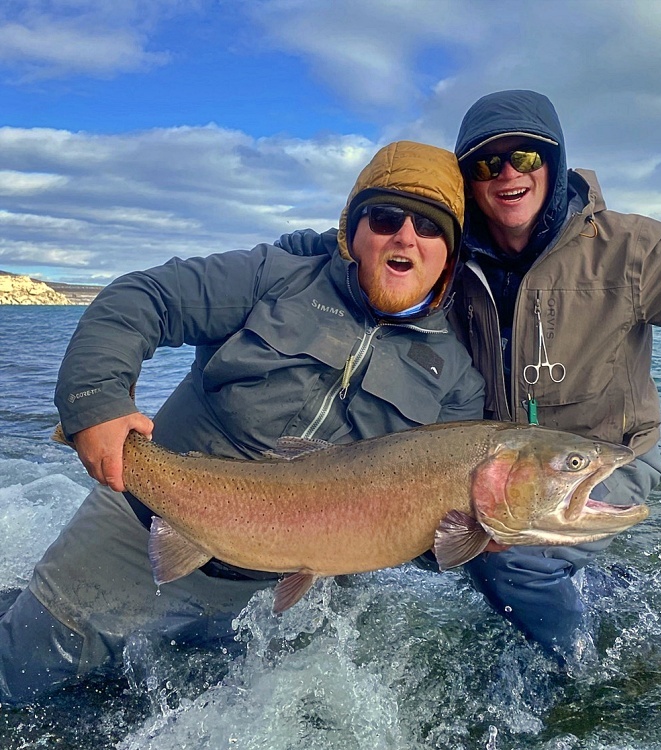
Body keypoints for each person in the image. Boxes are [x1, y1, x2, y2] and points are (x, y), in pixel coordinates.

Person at [0, 140, 486, 704]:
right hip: (141, 525)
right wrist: (95, 401)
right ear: (352, 232)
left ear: (447, 256)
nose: (406, 236)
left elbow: (427, 547)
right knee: (20, 676)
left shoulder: (456, 380)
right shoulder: (274, 276)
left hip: (278, 598)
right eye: (384, 217)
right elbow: (144, 297)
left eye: (430, 226)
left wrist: (473, 533)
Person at [448, 89, 661, 656]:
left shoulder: (632, 248)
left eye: (528, 157)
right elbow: (350, 251)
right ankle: (598, 589)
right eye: (488, 163)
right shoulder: (445, 256)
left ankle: (575, 672)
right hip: (501, 466)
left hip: (604, 455)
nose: (508, 174)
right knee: (435, 548)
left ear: (555, 161)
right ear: (468, 179)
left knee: (509, 562)